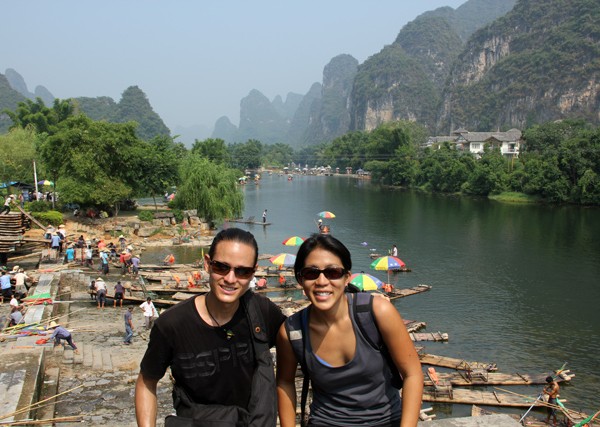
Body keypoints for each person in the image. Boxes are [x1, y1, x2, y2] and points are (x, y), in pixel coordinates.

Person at [135, 228, 286, 427]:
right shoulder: (172, 324)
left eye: (242, 271)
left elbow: (301, 341)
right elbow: (147, 382)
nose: (230, 279)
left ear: (253, 273)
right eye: (222, 267)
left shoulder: (262, 312)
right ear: (207, 263)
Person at [276, 234, 423, 427]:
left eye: (333, 272)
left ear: (347, 277)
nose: (322, 281)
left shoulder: (378, 312)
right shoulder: (292, 332)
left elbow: (413, 373)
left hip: (386, 421)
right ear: (300, 279)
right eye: (311, 273)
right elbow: (285, 382)